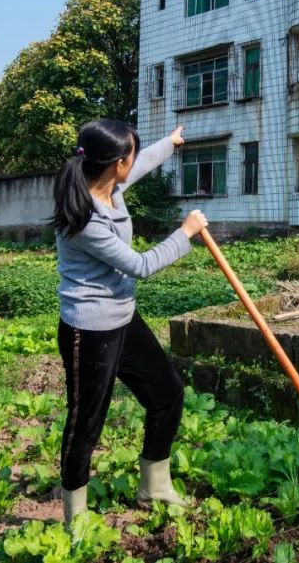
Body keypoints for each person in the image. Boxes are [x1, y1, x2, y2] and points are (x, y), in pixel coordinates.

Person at [50, 119, 208, 525]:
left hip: (122, 319)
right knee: (86, 420)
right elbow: (141, 265)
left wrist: (170, 144)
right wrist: (185, 233)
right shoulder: (85, 218)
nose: (133, 163)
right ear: (116, 163)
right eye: (129, 157)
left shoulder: (112, 185)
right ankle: (76, 515)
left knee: (168, 392)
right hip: (89, 329)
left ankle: (153, 483)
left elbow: (144, 162)